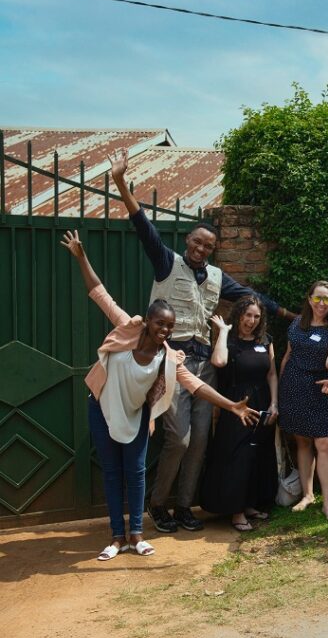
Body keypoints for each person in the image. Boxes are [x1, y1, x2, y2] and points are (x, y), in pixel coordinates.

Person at [108, 149, 294, 534]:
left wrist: (291, 317)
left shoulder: (216, 276)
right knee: (179, 439)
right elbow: (142, 224)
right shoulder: (167, 262)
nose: (201, 249)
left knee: (201, 441)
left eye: (208, 246)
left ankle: (183, 506)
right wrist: (121, 182)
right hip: (170, 360)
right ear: (188, 241)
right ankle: (158, 504)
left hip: (204, 364)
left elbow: (252, 296)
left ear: (213, 249)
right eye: (197, 242)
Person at [62, 230, 258, 560]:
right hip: (102, 408)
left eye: (169, 326)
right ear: (148, 321)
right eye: (159, 324)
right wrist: (81, 256)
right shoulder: (128, 329)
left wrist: (231, 406)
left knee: (136, 474)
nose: (164, 330)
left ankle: (136, 535)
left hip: (137, 413)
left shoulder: (167, 356)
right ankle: (116, 536)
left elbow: (197, 386)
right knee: (112, 473)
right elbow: (99, 294)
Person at [201, 298, 278, 531]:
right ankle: (236, 512)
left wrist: (275, 403)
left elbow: (272, 374)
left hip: (263, 401)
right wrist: (223, 331)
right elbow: (219, 361)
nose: (251, 321)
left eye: (256, 316)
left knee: (259, 454)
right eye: (247, 315)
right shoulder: (229, 342)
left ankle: (250, 504)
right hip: (237, 404)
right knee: (239, 456)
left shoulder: (265, 341)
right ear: (238, 315)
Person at [277, 281, 328, 522]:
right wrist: (279, 392)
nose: (322, 304)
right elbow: (288, 355)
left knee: (324, 443)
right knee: (302, 441)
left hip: (322, 388)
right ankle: (307, 495)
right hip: (294, 387)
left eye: (327, 299)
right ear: (309, 299)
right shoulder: (297, 323)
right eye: (318, 298)